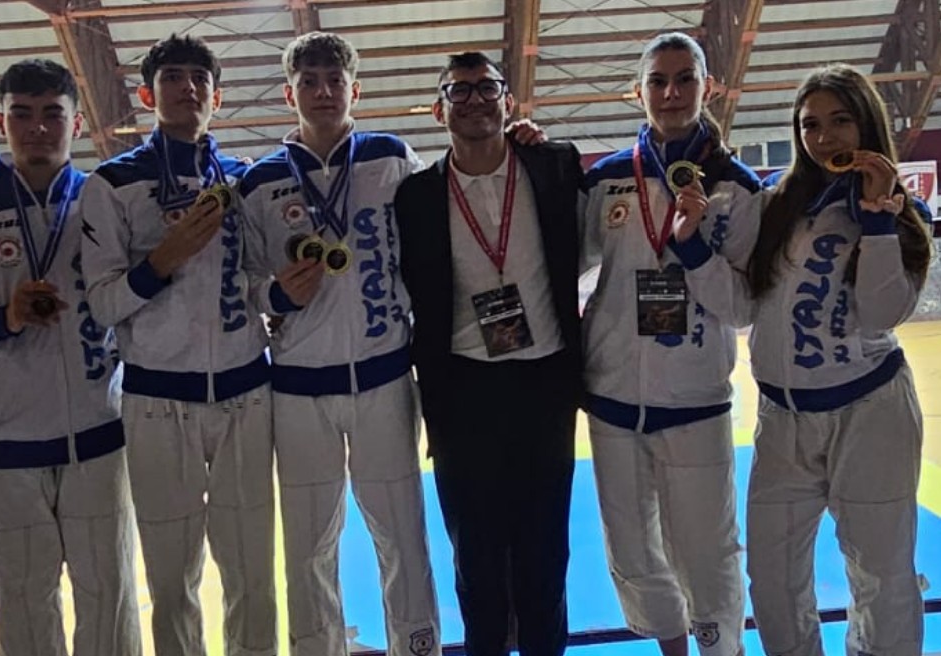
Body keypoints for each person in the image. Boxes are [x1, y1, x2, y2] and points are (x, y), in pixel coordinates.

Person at [673, 63, 931, 656]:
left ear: (867, 124)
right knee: (772, 581)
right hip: (783, 421)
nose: (824, 137)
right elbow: (741, 307)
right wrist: (692, 251)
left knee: (881, 575)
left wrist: (877, 222)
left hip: (870, 414)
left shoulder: (901, 214)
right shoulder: (776, 206)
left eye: (840, 121)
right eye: (810, 125)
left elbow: (881, 314)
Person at [238, 31, 440, 656]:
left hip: (384, 379)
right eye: (309, 82)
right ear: (289, 93)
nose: (323, 92)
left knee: (402, 536)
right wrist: (277, 295)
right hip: (299, 388)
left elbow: (429, 247)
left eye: (334, 81)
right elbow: (244, 282)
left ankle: (418, 646)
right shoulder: (260, 181)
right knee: (308, 545)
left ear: (356, 90)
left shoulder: (391, 156)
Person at [80, 35, 276, 656]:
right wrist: (161, 261)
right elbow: (103, 305)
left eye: (199, 78)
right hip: (157, 403)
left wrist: (284, 291)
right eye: (171, 77)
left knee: (253, 574)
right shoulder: (112, 183)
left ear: (217, 96)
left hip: (246, 394)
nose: (187, 87)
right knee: (172, 580)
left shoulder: (245, 179)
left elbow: (258, 280)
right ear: (147, 95)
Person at [394, 51, 583, 656]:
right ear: (439, 109)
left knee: (544, 555)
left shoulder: (554, 165)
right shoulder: (416, 195)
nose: (475, 99)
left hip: (544, 384)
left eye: (486, 88)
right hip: (462, 391)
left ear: (509, 100)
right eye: (460, 90)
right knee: (475, 559)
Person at [580, 32, 761, 656]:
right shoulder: (607, 180)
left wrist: (694, 250)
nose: (672, 92)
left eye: (685, 79)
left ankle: (721, 649)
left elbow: (744, 305)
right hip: (613, 401)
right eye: (658, 81)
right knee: (633, 551)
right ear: (640, 91)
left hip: (695, 402)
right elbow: (558, 261)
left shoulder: (736, 187)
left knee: (708, 554)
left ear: (708, 87)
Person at [0, 59, 140, 656]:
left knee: (109, 595)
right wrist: (1, 319)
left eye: (52, 115)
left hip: (97, 431)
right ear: (0, 122)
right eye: (22, 114)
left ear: (77, 123)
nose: (37, 127)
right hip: (4, 442)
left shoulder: (103, 202)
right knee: (23, 601)